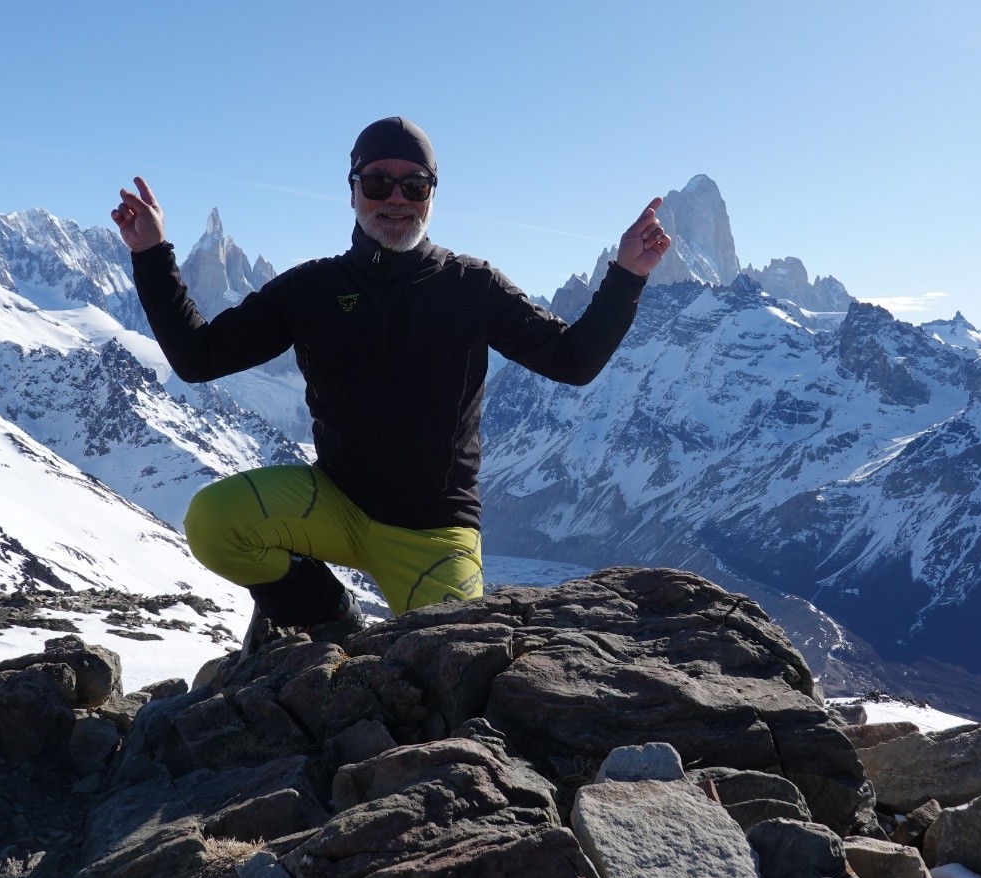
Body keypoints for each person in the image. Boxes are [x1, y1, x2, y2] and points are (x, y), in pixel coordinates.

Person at [112, 116, 670, 649]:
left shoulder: (472, 286)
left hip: (435, 531)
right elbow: (199, 357)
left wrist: (627, 277)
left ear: (433, 194)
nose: (397, 199)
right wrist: (151, 254)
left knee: (446, 658)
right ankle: (327, 613)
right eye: (379, 183)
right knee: (214, 523)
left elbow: (573, 361)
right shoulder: (312, 288)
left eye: (415, 185)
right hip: (335, 500)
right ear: (352, 190)